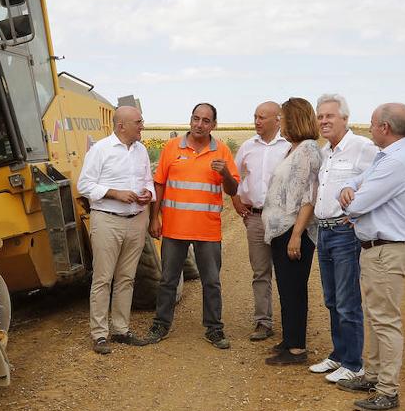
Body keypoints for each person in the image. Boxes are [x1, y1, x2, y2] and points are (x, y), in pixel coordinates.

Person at [337, 103, 405, 411]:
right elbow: (358, 185)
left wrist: (353, 202)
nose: (369, 128)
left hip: (388, 249)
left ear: (385, 128)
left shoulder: (397, 161)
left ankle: (387, 390)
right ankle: (372, 375)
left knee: (385, 320)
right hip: (379, 247)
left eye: (373, 124)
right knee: (376, 315)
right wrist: (348, 187)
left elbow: (358, 204)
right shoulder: (389, 156)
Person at [146, 103, 239, 348]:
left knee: (211, 281)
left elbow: (233, 189)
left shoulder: (222, 151)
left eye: (205, 120)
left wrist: (226, 173)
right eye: (196, 118)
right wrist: (154, 218)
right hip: (174, 228)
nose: (199, 124)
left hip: (207, 230)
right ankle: (161, 324)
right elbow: (160, 184)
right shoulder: (172, 147)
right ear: (190, 120)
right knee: (167, 279)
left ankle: (214, 328)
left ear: (213, 125)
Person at [310, 94, 379, 383]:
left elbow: (381, 180)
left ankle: (354, 363)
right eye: (320, 116)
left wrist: (362, 213)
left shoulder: (363, 148)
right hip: (323, 232)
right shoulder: (325, 151)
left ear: (345, 119)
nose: (324, 121)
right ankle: (339, 355)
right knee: (331, 299)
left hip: (345, 232)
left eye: (330, 116)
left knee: (347, 301)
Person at [77, 105, 155, 355]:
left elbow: (148, 181)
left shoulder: (141, 150)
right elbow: (85, 185)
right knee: (103, 278)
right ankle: (99, 334)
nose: (142, 125)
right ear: (122, 126)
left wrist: (147, 195)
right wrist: (115, 194)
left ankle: (121, 330)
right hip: (108, 220)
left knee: (127, 278)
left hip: (136, 220)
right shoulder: (100, 150)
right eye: (138, 122)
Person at [261, 97, 323, 366]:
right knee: (286, 288)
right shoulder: (294, 148)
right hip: (281, 231)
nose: (280, 122)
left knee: (294, 288)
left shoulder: (309, 149)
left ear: (294, 119)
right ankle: (289, 339)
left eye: (283, 117)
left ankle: (297, 348)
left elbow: (309, 198)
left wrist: (297, 234)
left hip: (293, 231)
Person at [232, 101, 290, 342]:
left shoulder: (289, 148)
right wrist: (236, 200)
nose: (257, 121)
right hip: (255, 217)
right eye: (255, 116)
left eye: (262, 117)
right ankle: (263, 322)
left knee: (287, 273)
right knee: (260, 272)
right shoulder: (247, 146)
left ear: (278, 119)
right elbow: (234, 176)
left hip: (283, 219)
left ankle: (291, 325)